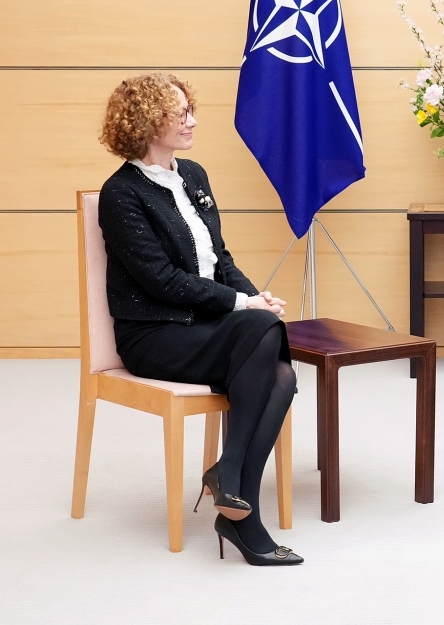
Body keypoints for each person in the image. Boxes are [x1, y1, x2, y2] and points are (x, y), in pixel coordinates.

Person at [98, 74, 303, 566]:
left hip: (205, 325)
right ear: (147, 120)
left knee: (278, 364)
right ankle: (235, 498)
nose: (191, 120)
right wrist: (243, 307)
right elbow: (162, 281)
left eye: (190, 109)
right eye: (179, 112)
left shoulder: (194, 175)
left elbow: (221, 259)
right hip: (155, 332)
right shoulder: (121, 193)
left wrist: (257, 297)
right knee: (270, 350)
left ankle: (233, 491)